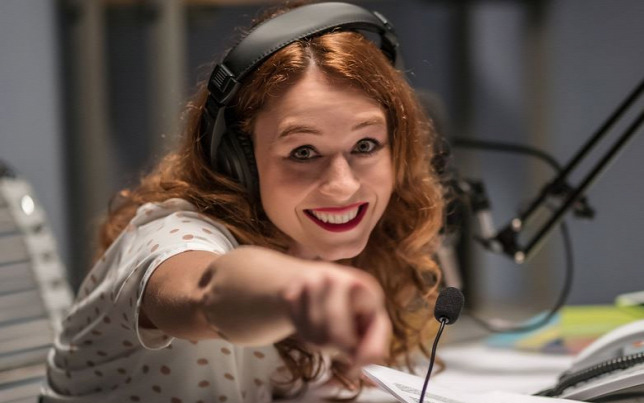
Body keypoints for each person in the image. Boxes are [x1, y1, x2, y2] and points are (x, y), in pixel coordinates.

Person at [42, 1, 445, 401]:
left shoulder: (310, 241)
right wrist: (296, 291)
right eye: (303, 152)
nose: (342, 186)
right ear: (240, 161)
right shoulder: (171, 235)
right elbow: (207, 290)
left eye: (365, 145)